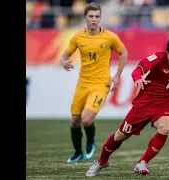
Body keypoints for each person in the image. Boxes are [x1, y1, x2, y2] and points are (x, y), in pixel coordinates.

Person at [85, 37, 169, 177]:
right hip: (143, 105)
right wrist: (138, 79)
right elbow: (138, 70)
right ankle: (102, 162)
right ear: (167, 53)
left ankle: (142, 162)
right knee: (120, 136)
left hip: (165, 106)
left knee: (165, 127)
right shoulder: (158, 58)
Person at [60, 3, 128, 163]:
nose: (94, 20)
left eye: (97, 16)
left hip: (100, 84)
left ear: (100, 18)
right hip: (83, 83)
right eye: (91, 16)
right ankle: (77, 152)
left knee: (86, 119)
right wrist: (64, 62)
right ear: (85, 18)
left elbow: (123, 52)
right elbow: (65, 55)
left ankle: (90, 141)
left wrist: (117, 76)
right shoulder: (78, 37)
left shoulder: (109, 37)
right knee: (75, 121)